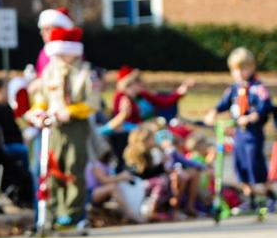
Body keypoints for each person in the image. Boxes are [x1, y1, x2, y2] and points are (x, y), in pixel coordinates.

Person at [26, 26, 99, 231]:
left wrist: (72, 110)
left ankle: (74, 213)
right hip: (53, 126)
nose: (58, 57)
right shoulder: (51, 71)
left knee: (74, 166)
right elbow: (42, 97)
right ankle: (56, 211)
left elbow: (93, 103)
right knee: (52, 167)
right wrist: (37, 112)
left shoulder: (86, 72)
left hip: (75, 124)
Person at [203, 47, 273, 213]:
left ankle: (267, 197)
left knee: (254, 164)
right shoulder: (234, 89)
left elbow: (265, 106)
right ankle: (250, 199)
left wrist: (251, 117)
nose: (240, 73)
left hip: (252, 134)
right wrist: (212, 113)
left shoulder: (257, 88)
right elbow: (222, 104)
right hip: (238, 134)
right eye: (236, 70)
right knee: (240, 165)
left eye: (244, 68)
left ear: (252, 68)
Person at [101, 67, 193, 159]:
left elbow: (164, 102)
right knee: (165, 139)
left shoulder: (141, 94)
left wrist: (181, 90)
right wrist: (144, 126)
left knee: (176, 137)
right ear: (129, 83)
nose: (141, 84)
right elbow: (120, 122)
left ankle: (180, 160)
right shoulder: (120, 97)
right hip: (135, 132)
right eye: (138, 81)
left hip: (148, 127)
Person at [86, 149, 147, 224]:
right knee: (113, 187)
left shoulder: (107, 164)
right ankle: (130, 214)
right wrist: (121, 177)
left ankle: (129, 212)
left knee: (117, 186)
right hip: (91, 194)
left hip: (101, 191)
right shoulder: (94, 164)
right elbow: (104, 180)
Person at [34, 7, 75, 78]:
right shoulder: (44, 52)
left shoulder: (71, 50)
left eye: (47, 29)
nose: (42, 33)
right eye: (42, 29)